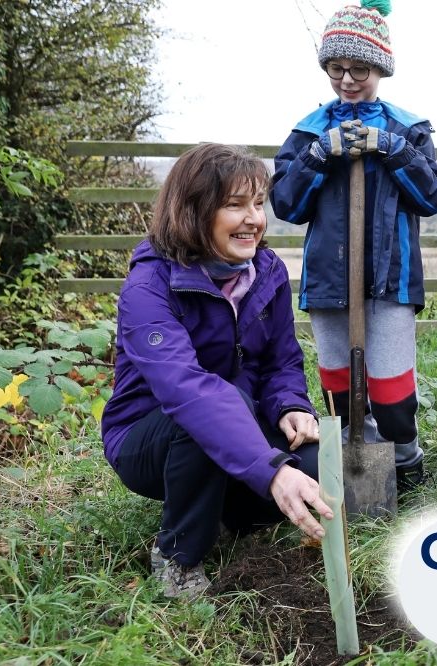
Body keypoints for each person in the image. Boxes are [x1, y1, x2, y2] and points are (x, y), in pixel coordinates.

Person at [101, 144, 333, 599]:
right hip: (149, 435)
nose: (253, 219)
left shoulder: (266, 272)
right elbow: (189, 392)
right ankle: (177, 556)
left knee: (307, 469)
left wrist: (290, 404)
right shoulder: (149, 287)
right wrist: (270, 469)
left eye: (258, 203)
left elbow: (282, 360)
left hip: (237, 415)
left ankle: (229, 511)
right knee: (219, 420)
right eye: (234, 205)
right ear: (192, 211)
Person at [270, 0, 437, 488]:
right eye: (336, 68)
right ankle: (360, 474)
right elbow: (285, 204)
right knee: (341, 390)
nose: (347, 79)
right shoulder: (308, 129)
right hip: (330, 283)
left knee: (391, 394)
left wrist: (392, 149)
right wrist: (319, 154)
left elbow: (432, 197)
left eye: (360, 69)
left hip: (391, 281)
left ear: (381, 68)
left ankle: (405, 458)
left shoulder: (407, 128)